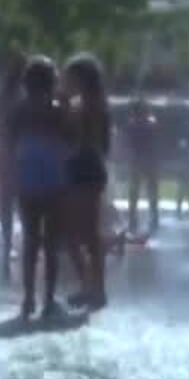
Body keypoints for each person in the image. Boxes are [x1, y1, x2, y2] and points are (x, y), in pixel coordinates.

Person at [3, 57, 69, 319]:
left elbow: (8, 144)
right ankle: (48, 299)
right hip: (52, 175)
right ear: (51, 83)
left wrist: (10, 177)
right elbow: (67, 142)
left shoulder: (18, 111)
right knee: (51, 242)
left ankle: (28, 297)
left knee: (31, 239)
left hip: (27, 175)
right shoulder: (56, 111)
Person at [62, 55, 113, 311]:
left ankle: (95, 288)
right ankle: (90, 286)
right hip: (84, 168)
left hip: (85, 169)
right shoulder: (85, 104)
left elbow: (88, 142)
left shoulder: (89, 106)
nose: (65, 81)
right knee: (77, 233)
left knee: (85, 234)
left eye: (69, 77)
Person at [0, 55, 26, 263]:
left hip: (4, 149)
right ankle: (22, 240)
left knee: (6, 199)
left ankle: (7, 242)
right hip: (19, 150)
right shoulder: (25, 95)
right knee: (23, 198)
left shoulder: (3, 94)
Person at [122, 97, 161, 236]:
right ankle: (151, 215)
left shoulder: (135, 124)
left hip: (140, 158)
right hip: (145, 158)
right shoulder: (148, 123)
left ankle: (139, 216)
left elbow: (130, 142)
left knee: (139, 189)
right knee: (145, 189)